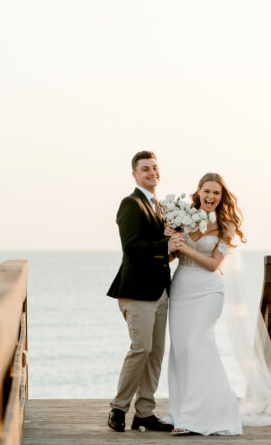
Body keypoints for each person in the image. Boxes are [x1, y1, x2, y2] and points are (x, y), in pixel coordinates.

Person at [166, 173, 271, 436]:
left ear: (222, 197)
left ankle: (204, 414)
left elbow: (213, 265)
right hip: (181, 287)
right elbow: (172, 255)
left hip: (209, 290)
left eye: (216, 193)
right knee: (181, 349)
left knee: (199, 344)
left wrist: (184, 249)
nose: (211, 197)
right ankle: (181, 411)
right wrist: (170, 241)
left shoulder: (227, 225)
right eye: (207, 191)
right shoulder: (180, 217)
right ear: (198, 192)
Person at [106, 151, 176, 433]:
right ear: (134, 174)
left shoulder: (159, 206)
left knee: (156, 352)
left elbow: (160, 251)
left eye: (155, 168)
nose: (152, 173)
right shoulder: (130, 204)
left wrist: (173, 246)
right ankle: (118, 408)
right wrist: (165, 246)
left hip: (160, 291)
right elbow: (132, 248)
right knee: (141, 349)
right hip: (136, 292)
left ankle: (145, 412)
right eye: (146, 169)